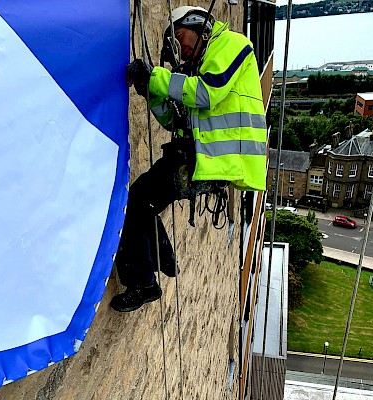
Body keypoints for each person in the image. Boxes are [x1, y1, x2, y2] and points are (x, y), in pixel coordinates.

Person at [110, 6, 267, 312]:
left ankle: (144, 281)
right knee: (143, 201)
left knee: (138, 200)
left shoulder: (234, 45)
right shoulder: (196, 71)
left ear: (199, 26)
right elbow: (174, 122)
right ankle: (162, 259)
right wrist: (151, 92)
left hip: (217, 160)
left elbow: (207, 93)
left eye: (180, 37)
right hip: (203, 158)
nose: (180, 47)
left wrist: (155, 76)